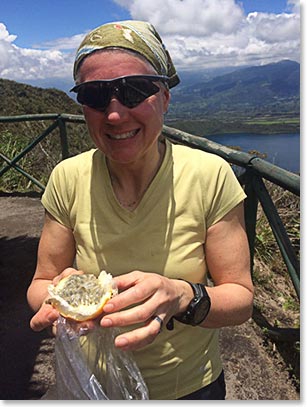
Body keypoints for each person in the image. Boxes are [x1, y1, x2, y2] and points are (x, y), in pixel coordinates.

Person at [27, 20, 254, 400]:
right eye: (96, 96)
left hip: (189, 387)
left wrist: (184, 296)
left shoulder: (209, 176)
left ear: (165, 97)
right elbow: (40, 285)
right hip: (92, 386)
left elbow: (241, 298)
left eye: (134, 91)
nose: (114, 114)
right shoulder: (67, 178)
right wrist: (59, 307)